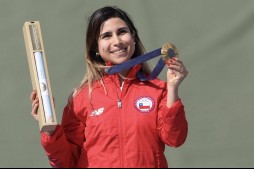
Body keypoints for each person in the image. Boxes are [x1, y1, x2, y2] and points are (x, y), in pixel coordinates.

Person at [30, 5, 188, 168]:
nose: (117, 41)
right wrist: (49, 130)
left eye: (122, 32)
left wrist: (173, 89)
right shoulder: (82, 98)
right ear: (95, 48)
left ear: (133, 37)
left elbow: (175, 139)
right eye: (106, 36)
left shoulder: (158, 90)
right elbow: (65, 163)